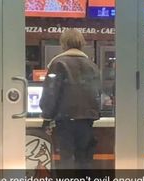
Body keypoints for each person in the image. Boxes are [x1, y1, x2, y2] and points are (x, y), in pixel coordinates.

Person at [39, 28, 101, 170]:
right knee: (84, 159)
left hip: (65, 119)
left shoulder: (58, 64)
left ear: (63, 43)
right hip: (87, 119)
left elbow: (51, 92)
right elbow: (97, 92)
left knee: (66, 159)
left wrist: (46, 116)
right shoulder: (92, 65)